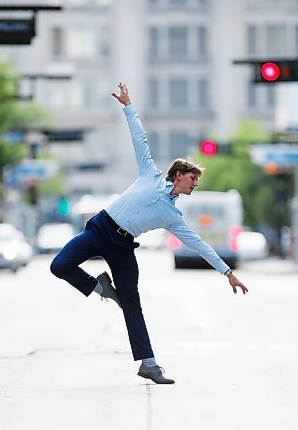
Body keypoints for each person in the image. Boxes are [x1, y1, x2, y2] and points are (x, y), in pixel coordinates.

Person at [50, 82, 249, 385]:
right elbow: (139, 138)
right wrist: (128, 106)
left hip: (123, 246)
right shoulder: (149, 172)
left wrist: (227, 272)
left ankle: (150, 364)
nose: (195, 184)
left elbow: (200, 244)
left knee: (132, 303)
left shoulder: (174, 217)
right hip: (101, 227)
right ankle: (100, 288)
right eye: (193, 179)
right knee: (59, 265)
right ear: (179, 175)